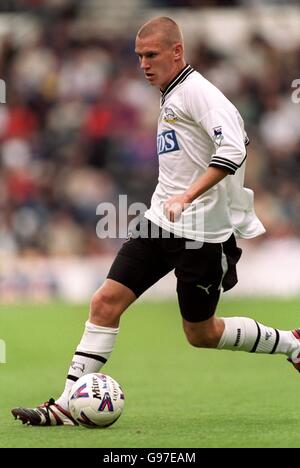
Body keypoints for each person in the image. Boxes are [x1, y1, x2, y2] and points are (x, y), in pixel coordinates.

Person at [12, 16, 300, 426]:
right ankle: (65, 405)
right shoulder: (170, 92)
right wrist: (173, 197)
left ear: (176, 52)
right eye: (139, 56)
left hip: (203, 235)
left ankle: (291, 343)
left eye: (151, 55)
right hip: (158, 222)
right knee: (104, 302)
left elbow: (234, 150)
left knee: (201, 334)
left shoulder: (201, 94)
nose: (143, 64)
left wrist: (187, 195)